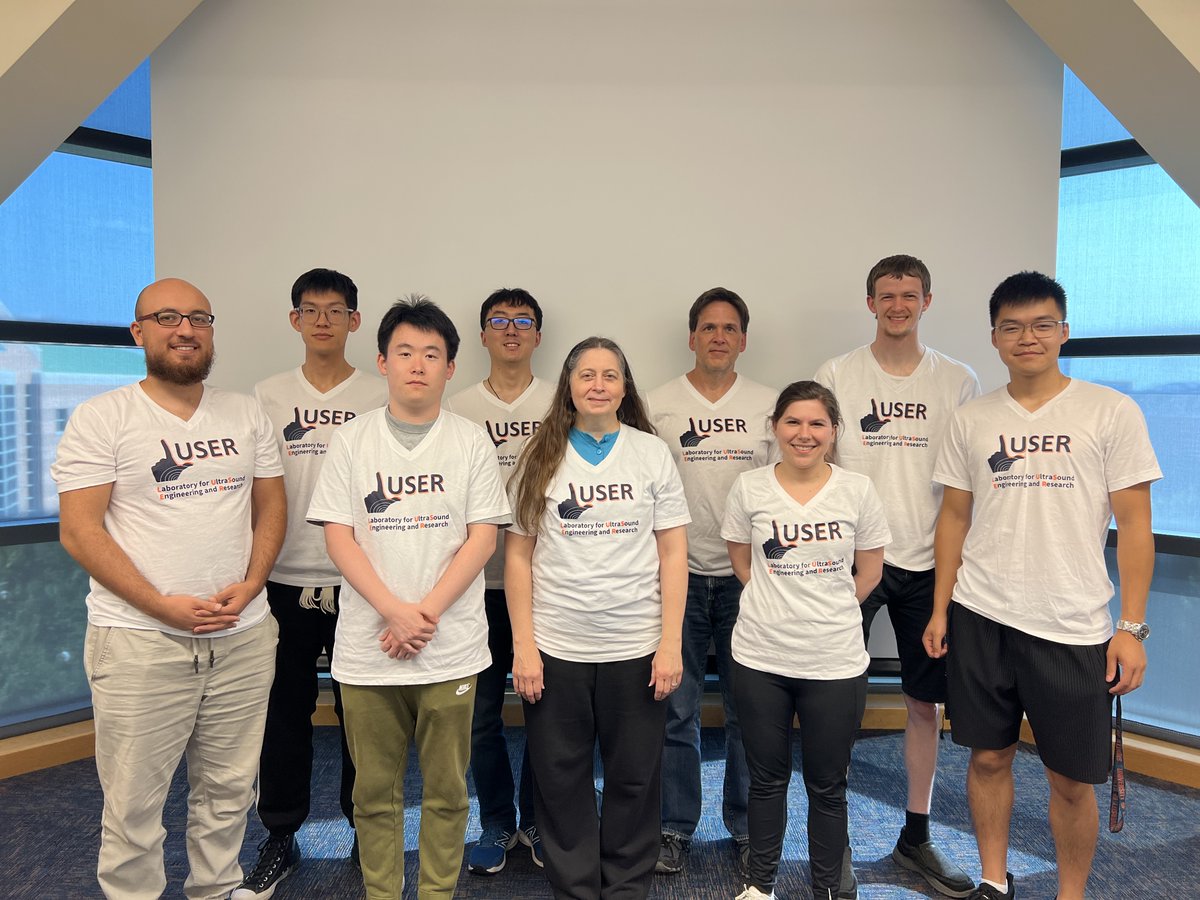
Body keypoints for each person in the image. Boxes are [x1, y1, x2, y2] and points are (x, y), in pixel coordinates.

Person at [924, 271, 1160, 900]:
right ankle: (993, 880)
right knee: (988, 758)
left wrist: (1131, 628)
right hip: (981, 615)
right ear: (995, 337)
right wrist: (941, 607)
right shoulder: (972, 418)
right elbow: (953, 516)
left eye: (1041, 325)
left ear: (1063, 331)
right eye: (1012, 327)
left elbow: (1136, 526)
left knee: (1070, 779)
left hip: (1072, 622)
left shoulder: (1109, 410)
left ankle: (1070, 893)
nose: (1027, 338)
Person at [53, 278, 286, 900]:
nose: (185, 329)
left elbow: (270, 508)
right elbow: (79, 532)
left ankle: (216, 887)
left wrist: (254, 582)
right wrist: (163, 607)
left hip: (242, 636)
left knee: (230, 789)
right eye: (167, 318)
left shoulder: (244, 412)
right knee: (132, 804)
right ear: (139, 333)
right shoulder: (104, 418)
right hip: (140, 641)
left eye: (198, 318)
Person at [306, 296, 510, 900]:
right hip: (369, 648)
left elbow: (482, 539)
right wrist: (393, 611)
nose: (417, 364)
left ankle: (437, 892)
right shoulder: (350, 440)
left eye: (431, 354)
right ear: (382, 362)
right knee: (373, 792)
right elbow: (338, 537)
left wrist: (423, 614)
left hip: (450, 645)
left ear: (450, 367)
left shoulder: (470, 441)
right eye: (404, 353)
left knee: (448, 790)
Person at [813, 254, 979, 897]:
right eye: (887, 295)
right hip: (853, 563)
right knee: (834, 703)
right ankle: (836, 840)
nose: (898, 305)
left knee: (921, 704)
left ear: (927, 301)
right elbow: (817, 466)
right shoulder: (837, 375)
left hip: (929, 564)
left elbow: (964, 488)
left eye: (909, 295)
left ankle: (916, 836)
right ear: (871, 302)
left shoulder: (957, 381)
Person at [506, 336, 690, 900]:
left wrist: (670, 644)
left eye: (610, 375)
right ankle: (576, 886)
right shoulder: (540, 454)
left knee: (634, 776)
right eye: (586, 375)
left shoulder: (650, 453)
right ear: (569, 385)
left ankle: (627, 885)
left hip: (635, 645)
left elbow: (673, 553)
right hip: (557, 646)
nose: (598, 385)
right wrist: (524, 646)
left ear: (624, 387)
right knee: (560, 778)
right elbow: (518, 556)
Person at [233, 268, 387, 898]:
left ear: (355, 321)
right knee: (284, 713)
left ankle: (365, 827)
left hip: (362, 581)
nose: (323, 319)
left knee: (365, 714)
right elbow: (250, 492)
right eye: (311, 309)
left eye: (336, 310)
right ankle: (281, 833)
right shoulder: (263, 397)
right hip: (284, 578)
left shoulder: (382, 394)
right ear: (294, 320)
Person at [723, 381, 891, 900]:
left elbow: (869, 571)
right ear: (775, 428)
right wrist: (779, 603)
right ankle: (760, 886)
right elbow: (740, 560)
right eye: (793, 422)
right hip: (760, 657)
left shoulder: (857, 490)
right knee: (766, 780)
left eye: (817, 423)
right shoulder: (749, 488)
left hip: (835, 660)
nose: (804, 434)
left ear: (834, 432)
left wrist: (825, 606)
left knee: (827, 786)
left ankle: (828, 890)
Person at [646, 287, 776, 878]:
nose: (718, 337)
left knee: (751, 711)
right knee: (677, 709)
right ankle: (673, 827)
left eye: (729, 328)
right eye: (708, 327)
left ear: (743, 339)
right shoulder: (658, 403)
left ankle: (748, 827)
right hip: (678, 578)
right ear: (692, 337)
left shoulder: (771, 405)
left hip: (750, 582)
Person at [446, 287, 554, 875]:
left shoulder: (561, 403)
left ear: (537, 335)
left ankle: (538, 818)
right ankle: (496, 820)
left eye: (522, 321)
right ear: (483, 335)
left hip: (546, 586)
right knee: (481, 713)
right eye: (498, 321)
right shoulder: (456, 406)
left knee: (547, 709)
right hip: (471, 585)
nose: (510, 330)